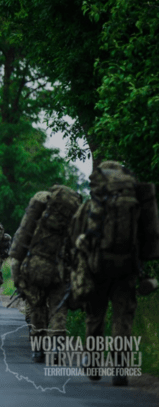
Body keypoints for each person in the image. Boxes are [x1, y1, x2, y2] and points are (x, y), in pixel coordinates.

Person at [71, 161, 159, 386]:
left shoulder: (92, 203)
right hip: (127, 267)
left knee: (95, 315)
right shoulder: (136, 202)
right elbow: (148, 235)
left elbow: (76, 234)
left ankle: (93, 362)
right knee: (123, 317)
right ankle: (120, 367)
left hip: (96, 266)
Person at [10, 185, 81, 362]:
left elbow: (20, 242)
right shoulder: (73, 218)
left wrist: (17, 275)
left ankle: (38, 348)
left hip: (35, 265)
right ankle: (57, 344)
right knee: (58, 308)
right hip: (59, 269)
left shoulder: (38, 219)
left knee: (37, 306)